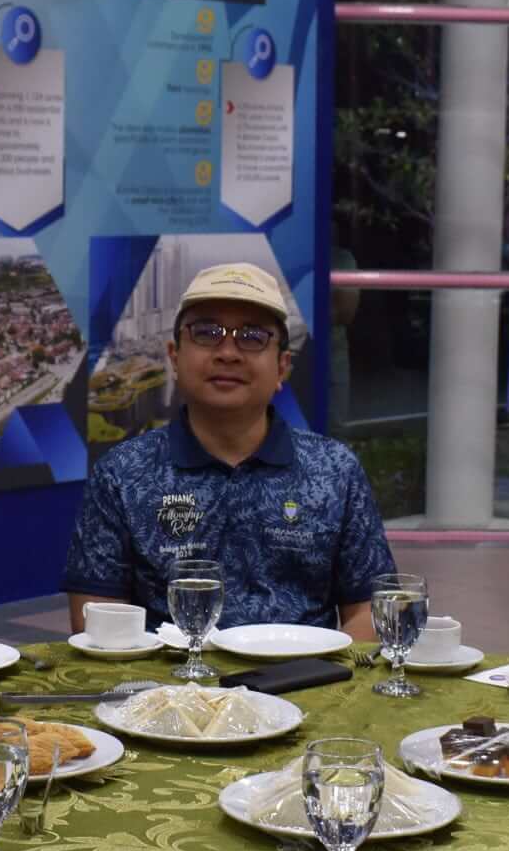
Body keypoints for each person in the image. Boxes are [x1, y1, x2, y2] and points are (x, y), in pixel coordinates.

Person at [64, 260, 392, 636]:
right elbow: (96, 618)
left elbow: (369, 609)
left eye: (252, 337)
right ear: (174, 356)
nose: (228, 353)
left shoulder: (335, 470)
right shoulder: (123, 473)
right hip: (169, 672)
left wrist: (323, 671)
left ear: (282, 367)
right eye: (207, 333)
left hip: (305, 670)